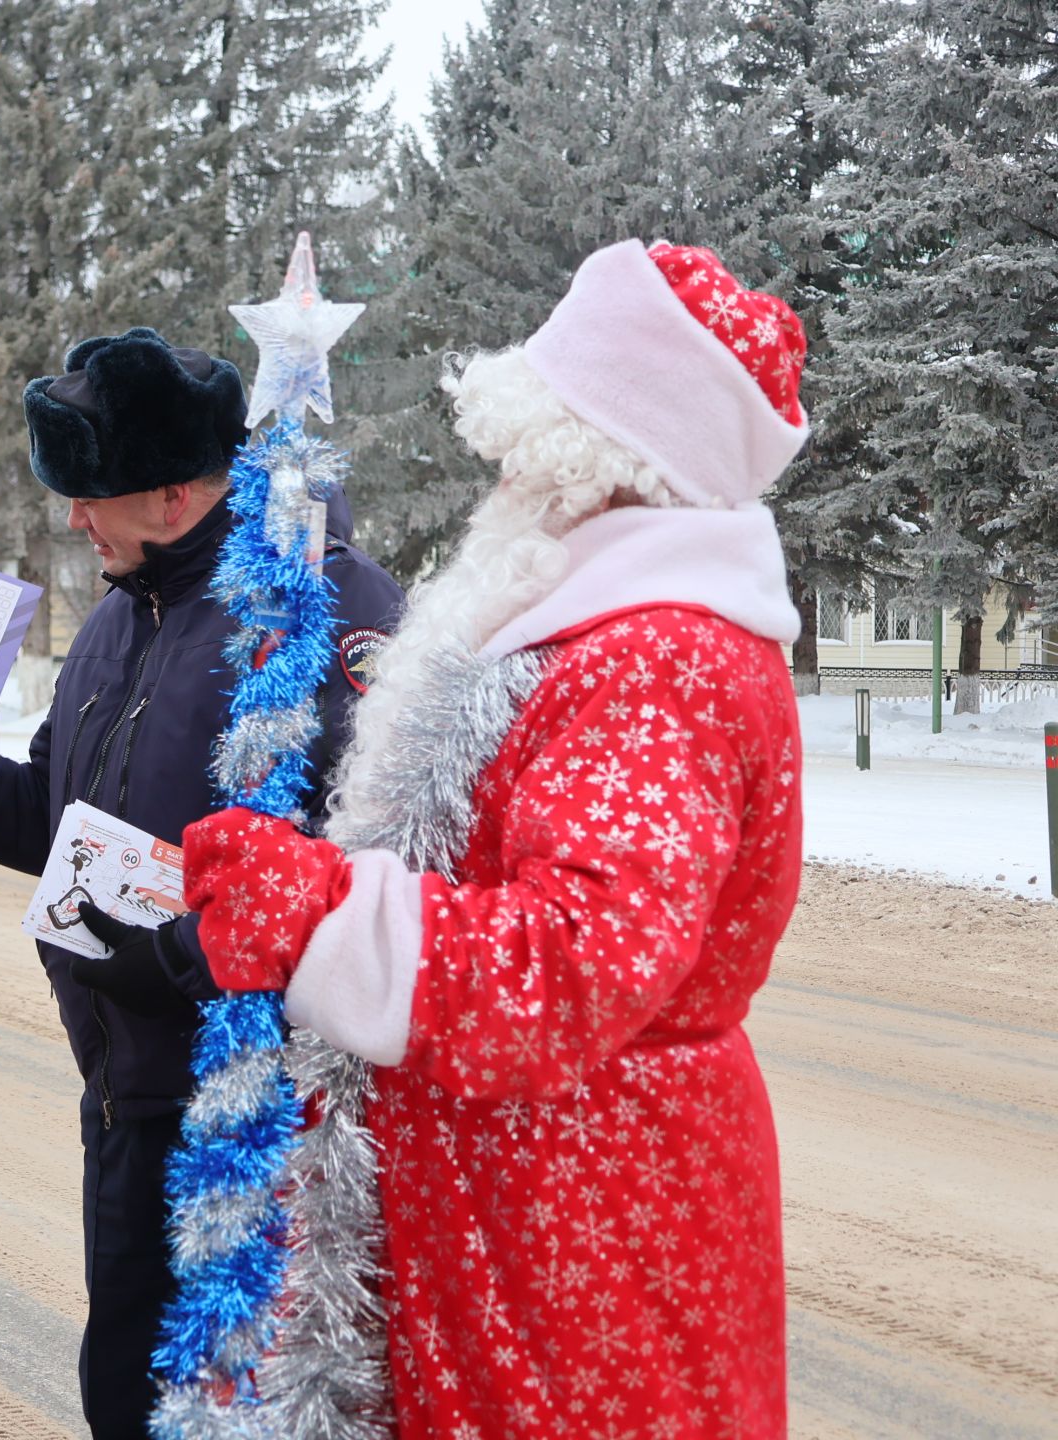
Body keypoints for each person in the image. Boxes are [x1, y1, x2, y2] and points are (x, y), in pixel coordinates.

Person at [181, 240, 809, 1436]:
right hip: (542, 1213)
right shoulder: (605, 631)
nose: (505, 480)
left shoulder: (649, 663)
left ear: (592, 451)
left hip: (585, 1237)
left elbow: (568, 964)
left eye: (527, 444)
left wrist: (317, 912)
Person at [0, 327, 403, 1438]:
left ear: (176, 494)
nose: (72, 519)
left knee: (242, 1408)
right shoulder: (109, 624)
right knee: (129, 1392)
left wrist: (186, 959)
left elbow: (375, 864)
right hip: (126, 1088)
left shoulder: (318, 611)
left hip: (269, 1119)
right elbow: (48, 821)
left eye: (90, 495)